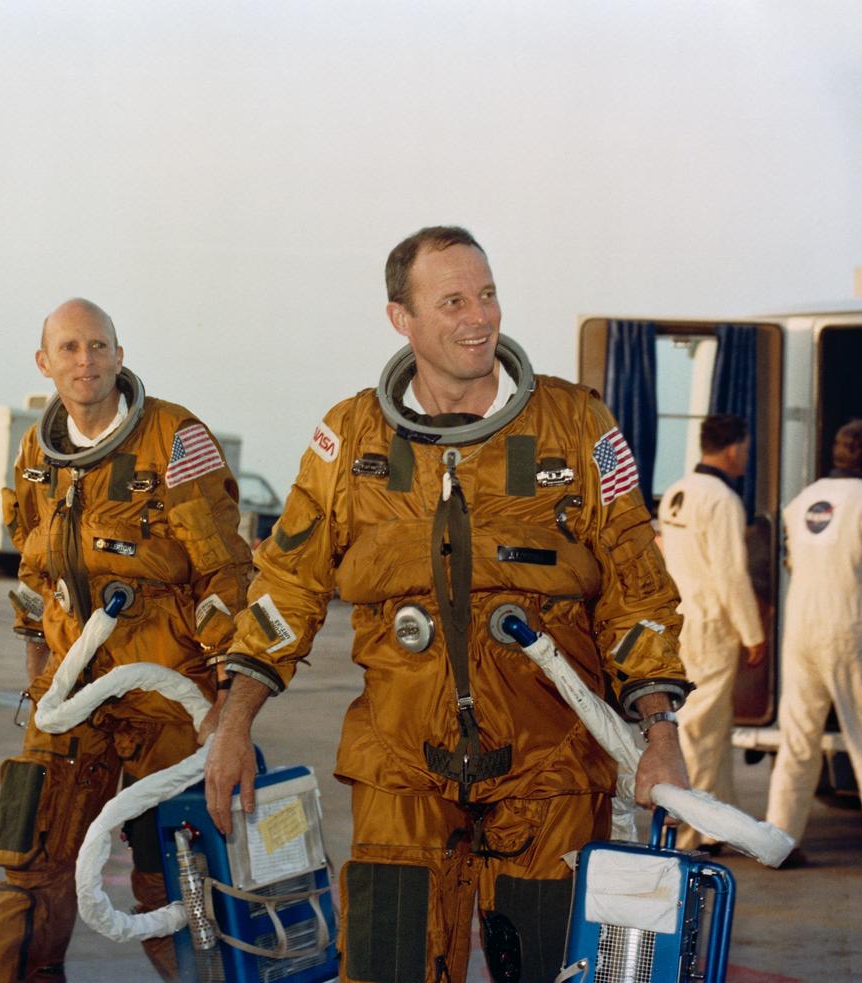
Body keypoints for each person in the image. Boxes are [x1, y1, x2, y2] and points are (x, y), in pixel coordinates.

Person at [203, 226, 692, 983]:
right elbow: (286, 587)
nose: (480, 317)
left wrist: (661, 729)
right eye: (454, 301)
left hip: (549, 770)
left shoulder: (578, 426)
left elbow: (637, 587)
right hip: (401, 769)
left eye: (489, 294)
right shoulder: (350, 436)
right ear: (402, 318)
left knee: (549, 971)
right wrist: (234, 722)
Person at [0, 298, 252, 982]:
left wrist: (227, 707)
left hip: (166, 700)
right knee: (28, 868)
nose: (85, 360)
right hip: (71, 695)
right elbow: (34, 573)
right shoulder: (37, 451)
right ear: (45, 363)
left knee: (181, 891)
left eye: (98, 346)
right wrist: (40, 680)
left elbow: (224, 571)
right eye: (69, 348)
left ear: (120, 356)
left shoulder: (174, 439)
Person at [767, 419, 862, 879]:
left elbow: (792, 558)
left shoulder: (803, 500)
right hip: (850, 629)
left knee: (797, 742)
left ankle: (778, 841)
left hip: (802, 631)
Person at [658, 413, 766, 850]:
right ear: (734, 448)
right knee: (703, 729)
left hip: (683, 618)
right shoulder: (721, 499)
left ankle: (717, 824)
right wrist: (752, 631)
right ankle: (686, 830)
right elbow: (731, 573)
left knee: (714, 728)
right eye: (746, 447)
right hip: (711, 624)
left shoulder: (676, 493)